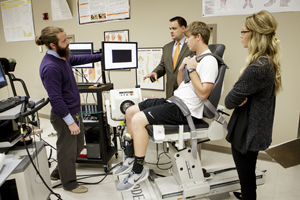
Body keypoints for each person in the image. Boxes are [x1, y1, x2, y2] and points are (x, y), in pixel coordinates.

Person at [115, 21, 218, 191]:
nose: (186, 41)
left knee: (139, 120)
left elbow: (204, 93)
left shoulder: (209, 61)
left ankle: (138, 170)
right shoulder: (195, 59)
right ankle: (131, 158)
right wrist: (182, 69)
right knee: (131, 111)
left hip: (185, 110)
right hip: (174, 100)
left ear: (198, 37)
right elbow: (181, 85)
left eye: (188, 37)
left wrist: (191, 70)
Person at [35, 26, 102, 193]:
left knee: (78, 145)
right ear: (52, 45)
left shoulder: (61, 57)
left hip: (73, 112)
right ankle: (69, 184)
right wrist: (71, 122)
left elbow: (79, 58)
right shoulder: (50, 67)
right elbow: (56, 99)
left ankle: (58, 173)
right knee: (67, 151)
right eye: (64, 40)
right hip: (63, 116)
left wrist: (102, 56)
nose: (68, 43)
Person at [224, 10, 282, 200]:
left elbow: (229, 101)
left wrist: (237, 92)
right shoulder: (267, 61)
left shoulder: (258, 67)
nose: (240, 36)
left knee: (247, 179)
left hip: (248, 134)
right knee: (247, 175)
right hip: (255, 129)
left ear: (255, 34)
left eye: (243, 32)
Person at [143, 16, 194, 98]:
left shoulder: (191, 45)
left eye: (174, 28)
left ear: (183, 28)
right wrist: (155, 72)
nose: (171, 31)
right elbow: (163, 65)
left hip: (187, 91)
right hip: (170, 92)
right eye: (170, 29)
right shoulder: (167, 47)